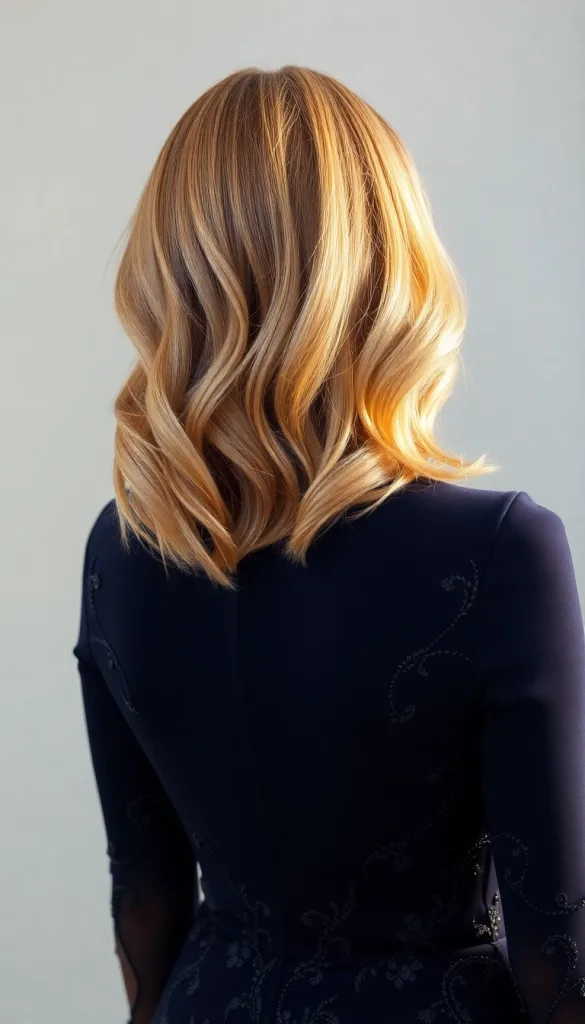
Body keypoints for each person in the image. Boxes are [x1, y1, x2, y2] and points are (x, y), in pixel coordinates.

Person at [73, 66, 585, 1024]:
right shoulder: (501, 553)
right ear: (390, 261)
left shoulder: (122, 551)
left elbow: (144, 901)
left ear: (169, 269)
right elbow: (561, 962)